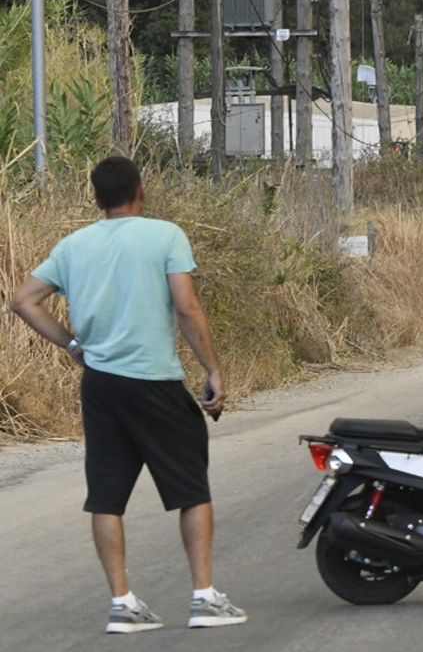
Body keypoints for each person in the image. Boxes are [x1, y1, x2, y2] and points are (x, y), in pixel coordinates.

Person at [7, 156, 248, 633]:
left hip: (100, 384)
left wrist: (73, 345)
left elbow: (22, 299)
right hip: (154, 379)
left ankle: (122, 603)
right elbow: (186, 306)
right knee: (191, 489)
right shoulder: (166, 235)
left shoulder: (74, 246)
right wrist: (213, 369)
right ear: (142, 190)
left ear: (95, 198)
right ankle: (204, 597)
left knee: (107, 495)